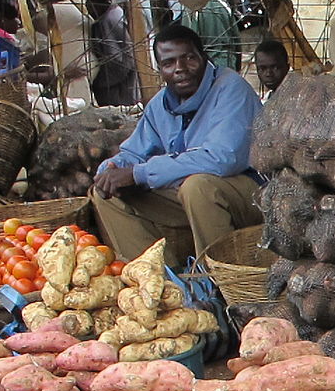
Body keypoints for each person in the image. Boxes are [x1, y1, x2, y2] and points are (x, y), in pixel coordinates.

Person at [91, 23, 263, 267]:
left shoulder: (231, 88)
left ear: (204, 58)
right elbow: (134, 152)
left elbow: (222, 159)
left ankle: (217, 279)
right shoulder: (160, 104)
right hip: (189, 196)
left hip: (252, 195)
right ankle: (159, 278)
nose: (180, 69)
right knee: (106, 194)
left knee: (198, 187)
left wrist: (139, 173)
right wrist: (111, 170)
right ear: (160, 69)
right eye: (169, 63)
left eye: (189, 58)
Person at [83, 0, 139, 106]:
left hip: (118, 92)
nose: (87, 6)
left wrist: (96, 82)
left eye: (88, 2)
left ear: (96, 3)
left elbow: (117, 63)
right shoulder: (116, 12)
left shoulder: (107, 22)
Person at [172, 0, 242, 70]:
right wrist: (237, 66)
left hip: (207, 66)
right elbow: (236, 38)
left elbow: (190, 43)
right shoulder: (222, 3)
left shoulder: (192, 8)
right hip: (227, 62)